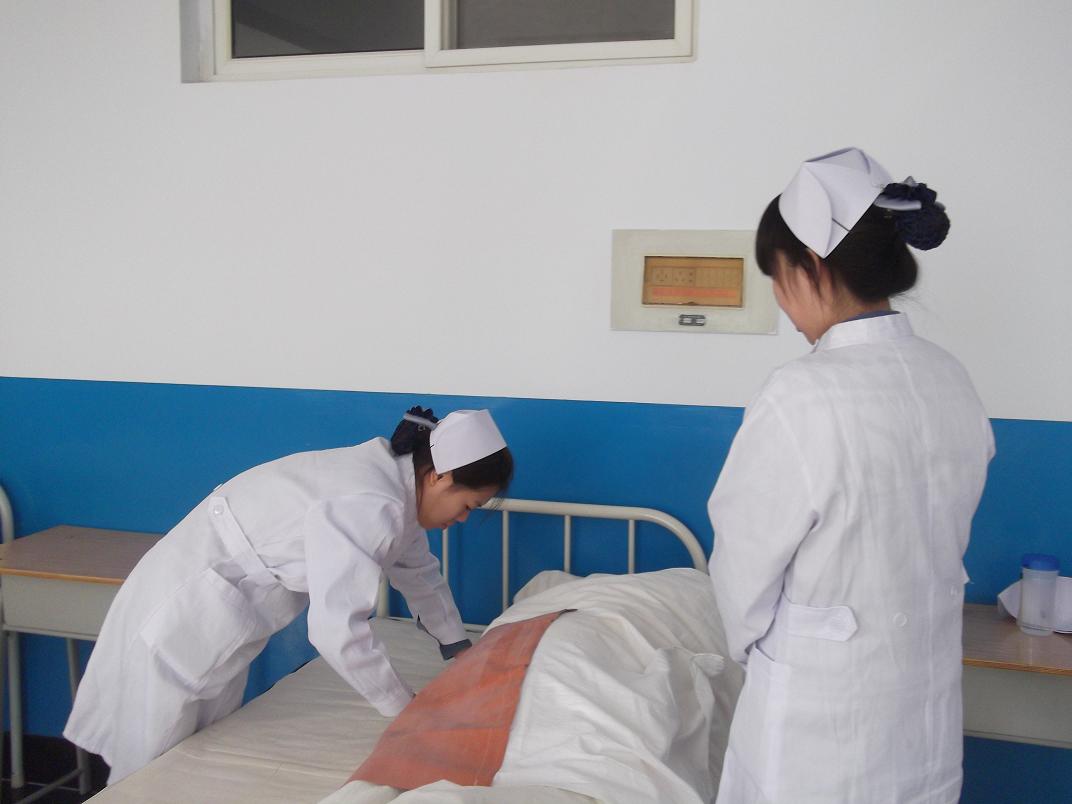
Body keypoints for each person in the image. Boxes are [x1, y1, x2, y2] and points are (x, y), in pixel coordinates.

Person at [707, 147, 994, 804]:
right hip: (922, 704)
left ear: (811, 267)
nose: (781, 301)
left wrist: (757, 652)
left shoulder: (800, 394)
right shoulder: (950, 378)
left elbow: (743, 572)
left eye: (778, 278)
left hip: (819, 721)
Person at [65, 406, 513, 784]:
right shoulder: (370, 502)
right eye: (468, 507)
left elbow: (420, 574)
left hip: (224, 615)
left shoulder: (398, 491)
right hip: (181, 607)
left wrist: (459, 648)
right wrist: (405, 709)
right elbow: (336, 630)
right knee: (147, 766)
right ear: (438, 477)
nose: (462, 520)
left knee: (188, 758)